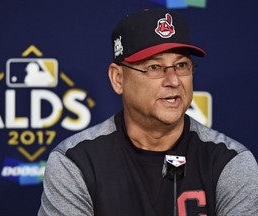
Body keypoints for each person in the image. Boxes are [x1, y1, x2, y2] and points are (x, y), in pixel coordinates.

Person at [38, 8, 258, 216]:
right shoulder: (76, 162)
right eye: (154, 67)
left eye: (181, 66)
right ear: (118, 78)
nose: (173, 81)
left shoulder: (230, 162)